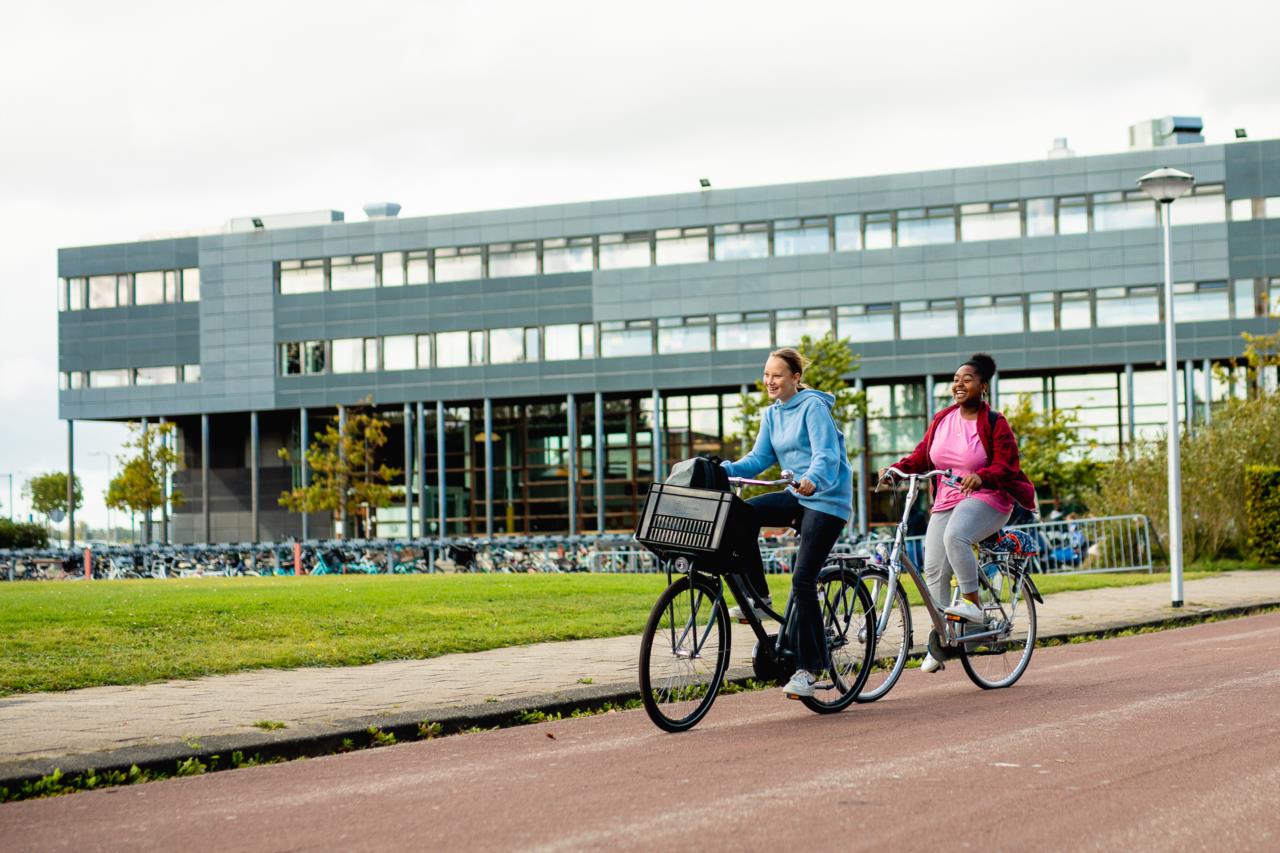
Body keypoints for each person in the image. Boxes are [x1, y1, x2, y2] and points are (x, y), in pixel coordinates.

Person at [882, 353, 1036, 673]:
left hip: (989, 497)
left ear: (982, 385)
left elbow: (1008, 465)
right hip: (947, 500)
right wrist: (896, 470)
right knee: (934, 570)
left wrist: (983, 475)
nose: (959, 384)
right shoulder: (942, 419)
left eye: (967, 379)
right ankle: (944, 638)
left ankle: (973, 605)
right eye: (955, 379)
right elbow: (922, 457)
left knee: (957, 536)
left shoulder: (995, 422)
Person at [721, 348, 854, 699]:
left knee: (803, 579)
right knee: (742, 514)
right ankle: (758, 596)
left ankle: (809, 669)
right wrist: (723, 469)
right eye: (766, 374)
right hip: (798, 495)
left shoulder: (813, 407)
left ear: (795, 378)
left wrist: (813, 478)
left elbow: (827, 455)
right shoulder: (771, 414)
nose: (769, 381)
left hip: (826, 498)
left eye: (777, 375)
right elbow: (759, 459)